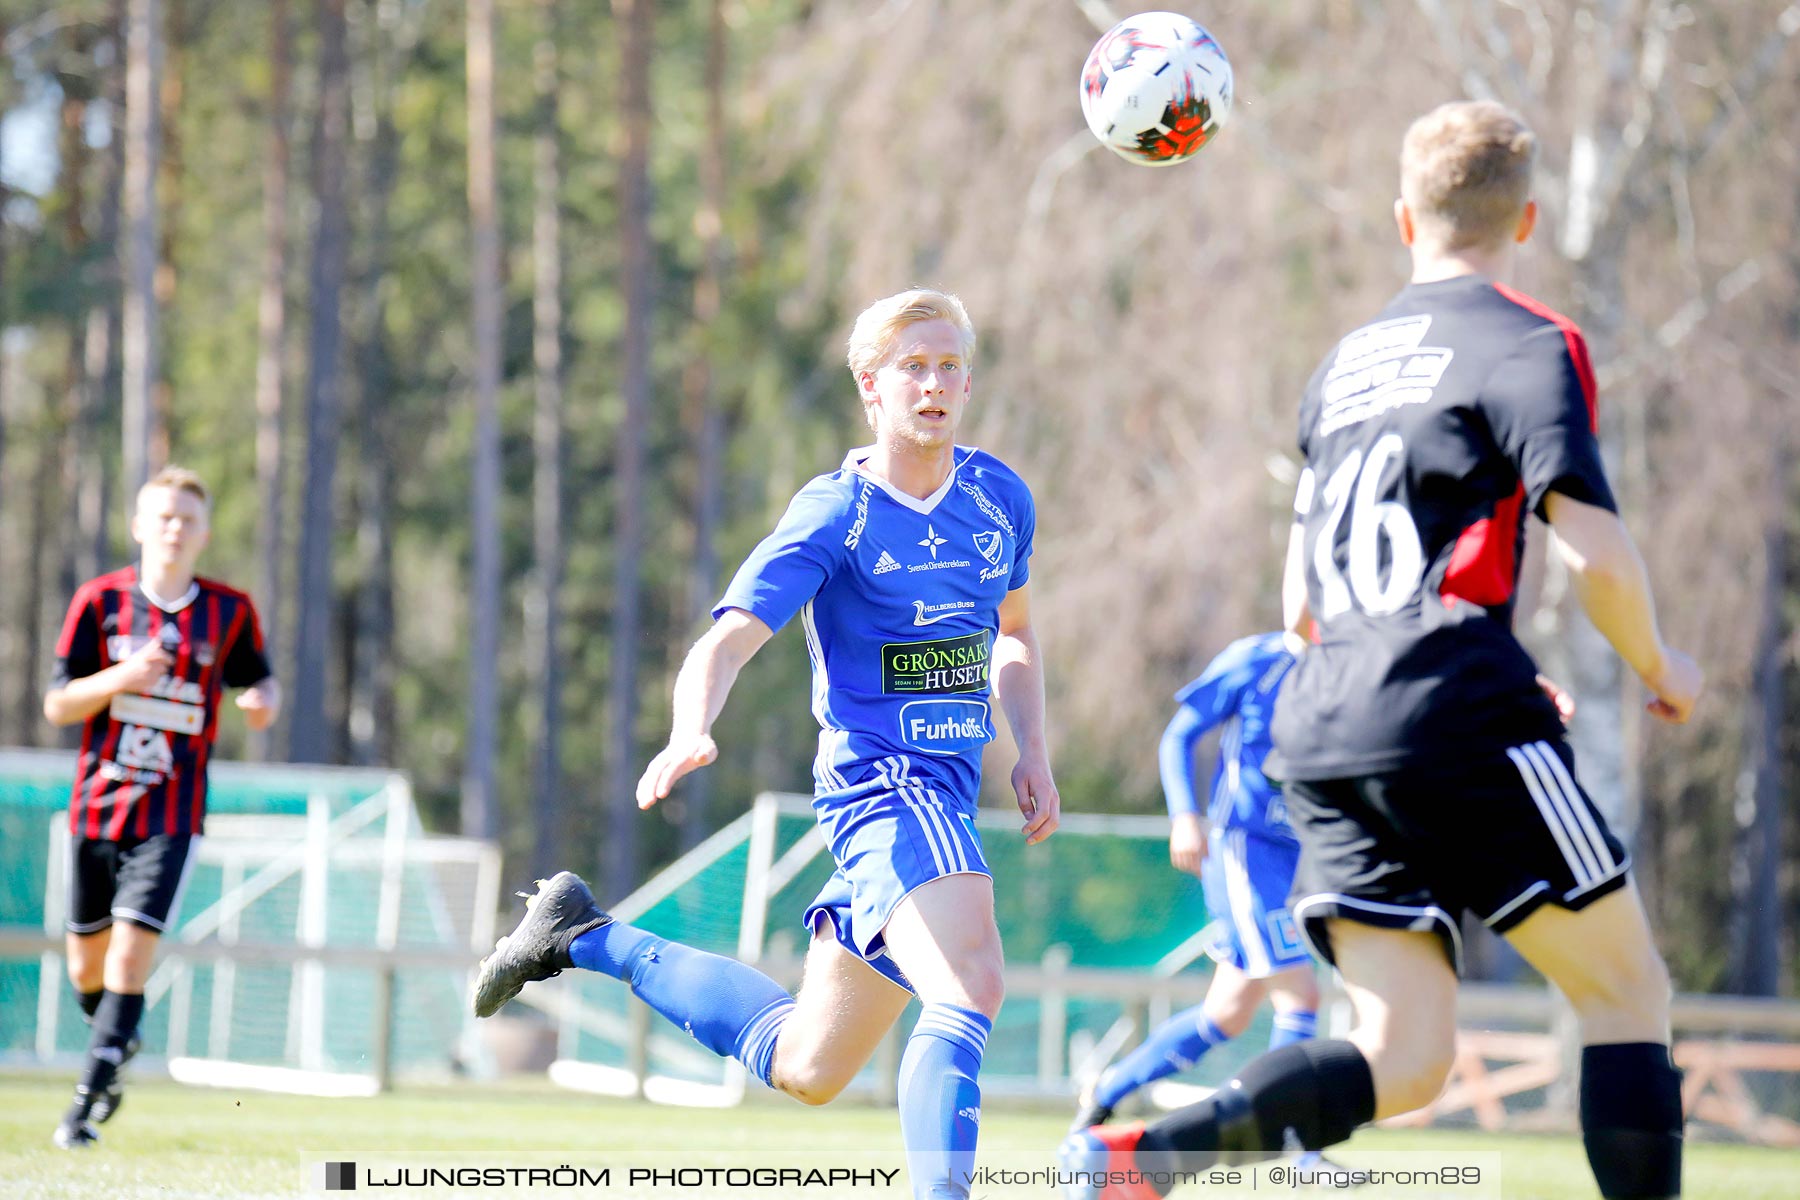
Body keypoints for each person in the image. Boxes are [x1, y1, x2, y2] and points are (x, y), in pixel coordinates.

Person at [1063, 100, 1701, 1200]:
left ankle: (1149, 1158)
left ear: (1403, 220)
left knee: (1401, 1062)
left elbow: (1302, 599)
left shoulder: (1344, 366)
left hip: (1323, 715)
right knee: (1628, 997)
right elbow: (1592, 549)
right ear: (1530, 219)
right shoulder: (1533, 341)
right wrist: (1658, 668)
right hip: (1448, 699)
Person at [471, 288, 1060, 1200]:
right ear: (871, 386)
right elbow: (730, 638)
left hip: (941, 800)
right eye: (913, 367)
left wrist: (1032, 748)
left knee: (808, 1066)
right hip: (888, 791)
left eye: (949, 366)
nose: (934, 384)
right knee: (972, 983)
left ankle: (582, 934)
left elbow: (1014, 634)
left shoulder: (998, 498)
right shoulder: (837, 513)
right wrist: (689, 730)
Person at [44, 466, 280, 1148]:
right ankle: (118, 1040)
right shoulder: (100, 602)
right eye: (164, 516)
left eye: (188, 519)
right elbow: (58, 703)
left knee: (128, 961)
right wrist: (121, 676)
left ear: (203, 534)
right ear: (141, 526)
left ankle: (83, 1108)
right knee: (87, 969)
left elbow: (259, 680)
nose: (175, 528)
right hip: (96, 808)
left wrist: (264, 703)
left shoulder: (228, 611)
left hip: (171, 814)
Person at [1072, 633, 1322, 1135]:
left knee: (1226, 1015)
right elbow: (1179, 735)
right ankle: (1296, 1142)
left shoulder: (1349, 666)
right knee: (1301, 997)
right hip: (1242, 852)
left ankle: (1108, 1089)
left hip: (1293, 861)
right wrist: (1184, 815)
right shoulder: (1261, 660)